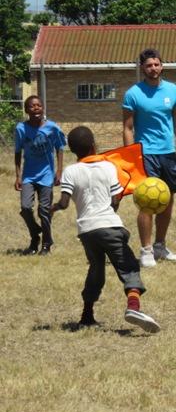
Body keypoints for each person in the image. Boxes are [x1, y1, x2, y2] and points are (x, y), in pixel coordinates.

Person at [50, 126, 160, 332]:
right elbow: (115, 201)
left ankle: (87, 316)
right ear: (94, 146)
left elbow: (64, 203)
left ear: (72, 150)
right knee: (129, 267)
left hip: (87, 231)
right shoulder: (108, 167)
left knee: (96, 270)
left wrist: (53, 208)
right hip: (109, 226)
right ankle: (133, 307)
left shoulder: (70, 171)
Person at [122, 48, 176, 268]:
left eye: (156, 64)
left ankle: (160, 246)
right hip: (146, 155)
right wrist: (130, 157)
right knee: (147, 202)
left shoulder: (172, 91)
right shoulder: (133, 93)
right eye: (148, 65)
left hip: (168, 154)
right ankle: (145, 251)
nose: (153, 68)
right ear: (142, 68)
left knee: (166, 201)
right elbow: (127, 127)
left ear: (162, 65)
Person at [14, 95, 66, 256]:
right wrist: (18, 176)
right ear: (26, 110)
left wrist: (59, 171)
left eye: (39, 105)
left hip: (47, 176)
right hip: (29, 175)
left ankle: (46, 244)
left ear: (43, 108)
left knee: (44, 210)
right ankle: (35, 233)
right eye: (31, 106)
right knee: (25, 207)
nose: (35, 108)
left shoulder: (52, 128)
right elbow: (17, 152)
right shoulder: (21, 129)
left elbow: (60, 148)